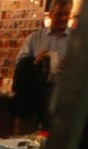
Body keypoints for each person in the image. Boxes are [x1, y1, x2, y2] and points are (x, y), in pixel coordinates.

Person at [12, 0, 73, 133]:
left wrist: (72, 67)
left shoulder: (75, 40)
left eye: (66, 14)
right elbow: (19, 63)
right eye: (59, 14)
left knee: (54, 137)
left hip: (61, 96)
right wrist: (35, 60)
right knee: (25, 136)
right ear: (50, 15)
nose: (62, 18)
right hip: (33, 95)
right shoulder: (35, 38)